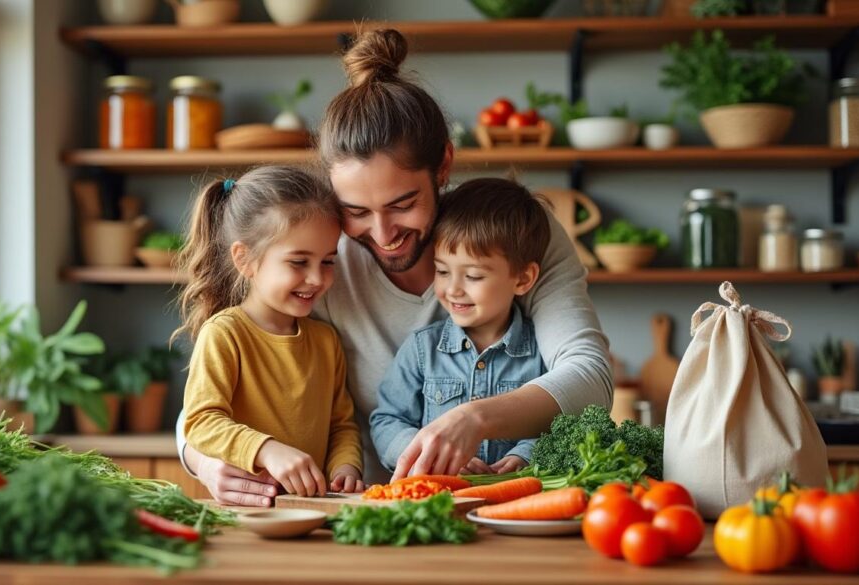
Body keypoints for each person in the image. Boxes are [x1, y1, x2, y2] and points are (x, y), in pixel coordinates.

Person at [178, 29, 611, 505]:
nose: (383, 235)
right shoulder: (319, 259)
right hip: (371, 507)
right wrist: (207, 463)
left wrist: (474, 418)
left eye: (403, 204)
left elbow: (589, 376)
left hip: (509, 502)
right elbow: (206, 401)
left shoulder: (512, 234)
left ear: (442, 165)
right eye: (357, 212)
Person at [174, 165, 363, 498]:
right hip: (249, 510)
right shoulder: (225, 334)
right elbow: (200, 421)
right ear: (244, 259)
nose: (318, 279)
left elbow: (341, 425)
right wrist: (266, 450)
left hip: (312, 511)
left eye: (328, 261)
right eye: (299, 262)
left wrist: (346, 466)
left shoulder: (325, 340)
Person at [370, 178, 550, 475]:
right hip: (436, 501)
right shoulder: (422, 349)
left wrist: (525, 455)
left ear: (522, 279)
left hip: (516, 501)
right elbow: (387, 421)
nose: (453, 289)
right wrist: (427, 454)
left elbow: (559, 424)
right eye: (442, 271)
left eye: (474, 276)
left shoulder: (543, 352)